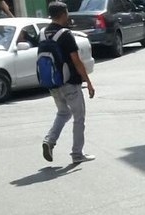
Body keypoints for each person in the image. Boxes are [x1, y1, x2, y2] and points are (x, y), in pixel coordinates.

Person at [41, 2, 96, 164]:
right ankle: (77, 154)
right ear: (63, 14)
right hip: (70, 83)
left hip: (52, 82)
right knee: (79, 117)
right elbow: (76, 61)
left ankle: (49, 141)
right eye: (67, 13)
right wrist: (89, 82)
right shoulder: (65, 34)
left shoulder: (43, 33)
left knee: (63, 113)